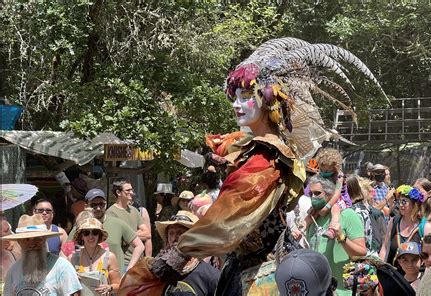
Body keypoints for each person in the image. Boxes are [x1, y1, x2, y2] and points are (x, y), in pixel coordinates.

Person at [123, 37, 386, 295]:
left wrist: (168, 262)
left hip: (262, 279)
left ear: (268, 100)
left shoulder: (266, 159)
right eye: (234, 96)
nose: (237, 104)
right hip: (254, 269)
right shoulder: (255, 149)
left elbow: (225, 217)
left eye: (246, 95)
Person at [306, 176, 366, 295]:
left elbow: (361, 252)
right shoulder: (313, 218)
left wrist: (341, 237)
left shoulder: (348, 215)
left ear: (330, 195)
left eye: (317, 193)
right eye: (310, 194)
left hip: (344, 292)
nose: (313, 197)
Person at [68, 188, 145, 274]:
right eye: (93, 205)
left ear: (106, 204)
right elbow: (65, 251)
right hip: (88, 282)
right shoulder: (81, 227)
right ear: (86, 206)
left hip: (116, 281)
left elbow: (140, 246)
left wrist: (128, 269)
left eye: (101, 204)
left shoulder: (117, 223)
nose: (98, 208)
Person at [2, 214, 82, 295]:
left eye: (37, 239)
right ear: (19, 242)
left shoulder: (62, 267)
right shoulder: (13, 271)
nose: (32, 244)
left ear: (45, 239)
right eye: (27, 240)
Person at [379, 185, 431, 266]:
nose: (400, 205)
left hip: (417, 277)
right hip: (393, 275)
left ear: (414, 204)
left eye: (404, 202)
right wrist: (380, 268)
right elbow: (384, 248)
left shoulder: (426, 227)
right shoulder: (394, 222)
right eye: (399, 202)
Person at [106, 179, 150, 271]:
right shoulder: (111, 213)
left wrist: (128, 235)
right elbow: (117, 239)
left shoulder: (134, 210)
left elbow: (147, 234)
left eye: (132, 190)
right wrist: (134, 234)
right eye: (128, 190)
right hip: (123, 262)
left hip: (139, 261)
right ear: (118, 192)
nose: (132, 192)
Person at [69, 217, 120, 295]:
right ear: (81, 236)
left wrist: (109, 288)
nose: (91, 236)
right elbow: (65, 286)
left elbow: (118, 285)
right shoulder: (72, 258)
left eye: (95, 232)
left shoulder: (109, 257)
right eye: (86, 233)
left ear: (99, 235)